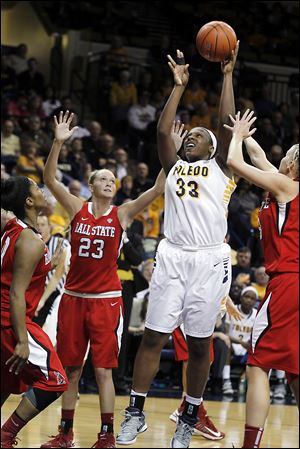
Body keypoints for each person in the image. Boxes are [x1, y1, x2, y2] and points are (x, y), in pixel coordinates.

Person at [117, 43, 239, 449]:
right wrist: (178, 87)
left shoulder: (221, 168)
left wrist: (225, 76)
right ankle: (135, 411)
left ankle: (190, 414)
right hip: (172, 254)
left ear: (213, 149)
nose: (193, 139)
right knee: (153, 336)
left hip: (208, 260)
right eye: (191, 136)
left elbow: (225, 122)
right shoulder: (173, 167)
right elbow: (160, 131)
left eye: (201, 138)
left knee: (202, 343)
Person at [40, 110, 166, 448]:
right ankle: (65, 433)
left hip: (105, 301)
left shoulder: (122, 213)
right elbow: (50, 178)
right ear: (92, 184)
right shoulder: (76, 206)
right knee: (71, 369)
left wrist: (169, 149)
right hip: (73, 298)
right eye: (103, 178)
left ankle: (106, 435)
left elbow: (156, 189)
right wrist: (57, 142)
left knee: (103, 371)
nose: (110, 182)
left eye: (113, 179)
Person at [224, 109, 299, 448]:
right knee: (296, 372)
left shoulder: (285, 185)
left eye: (286, 155)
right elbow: (259, 157)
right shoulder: (283, 183)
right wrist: (243, 130)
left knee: (258, 364)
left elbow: (237, 163)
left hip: (288, 283)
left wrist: (236, 139)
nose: (279, 157)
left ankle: (250, 444)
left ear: (292, 165)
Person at [1, 177, 68, 448]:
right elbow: (17, 292)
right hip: (11, 320)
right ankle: (5, 436)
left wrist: (48, 264)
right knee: (55, 379)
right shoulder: (30, 240)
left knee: (4, 382)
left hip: (4, 317)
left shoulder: (13, 228)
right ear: (29, 201)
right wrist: (22, 340)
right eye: (37, 189)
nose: (43, 191)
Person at [170, 296, 241, 441]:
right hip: (189, 304)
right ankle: (192, 410)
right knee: (192, 358)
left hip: (207, 303)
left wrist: (225, 299)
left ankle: (187, 408)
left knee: (206, 359)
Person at [33, 215, 71, 347]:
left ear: (50, 227)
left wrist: (41, 300)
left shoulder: (61, 244)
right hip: (36, 293)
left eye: (43, 224)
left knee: (51, 338)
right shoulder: (31, 244)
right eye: (37, 224)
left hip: (56, 294)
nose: (39, 228)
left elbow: (57, 276)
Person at [222, 286, 258, 395]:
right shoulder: (231, 309)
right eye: (247, 297)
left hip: (247, 347)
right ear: (241, 298)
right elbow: (226, 333)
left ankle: (248, 381)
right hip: (232, 344)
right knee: (225, 345)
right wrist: (240, 342)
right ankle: (226, 380)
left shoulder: (256, 314)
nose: (249, 300)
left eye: (252, 298)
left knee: (258, 350)